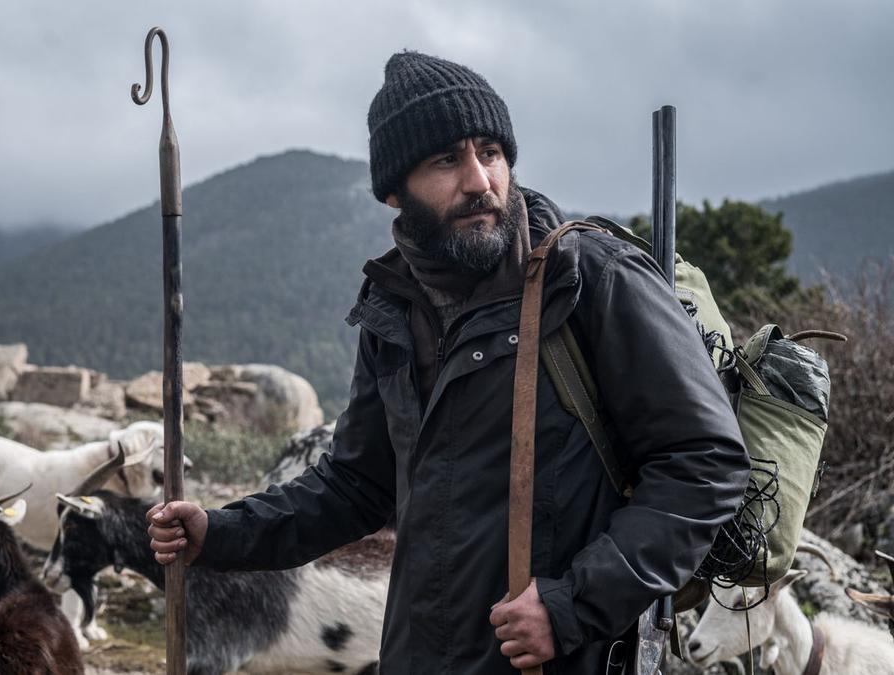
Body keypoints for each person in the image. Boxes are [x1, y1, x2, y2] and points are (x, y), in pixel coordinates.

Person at [148, 51, 750, 674]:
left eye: (490, 153)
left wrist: (575, 604)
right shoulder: (393, 309)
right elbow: (357, 487)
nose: (479, 181)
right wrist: (220, 533)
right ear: (393, 191)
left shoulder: (592, 278)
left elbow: (704, 462)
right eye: (446, 160)